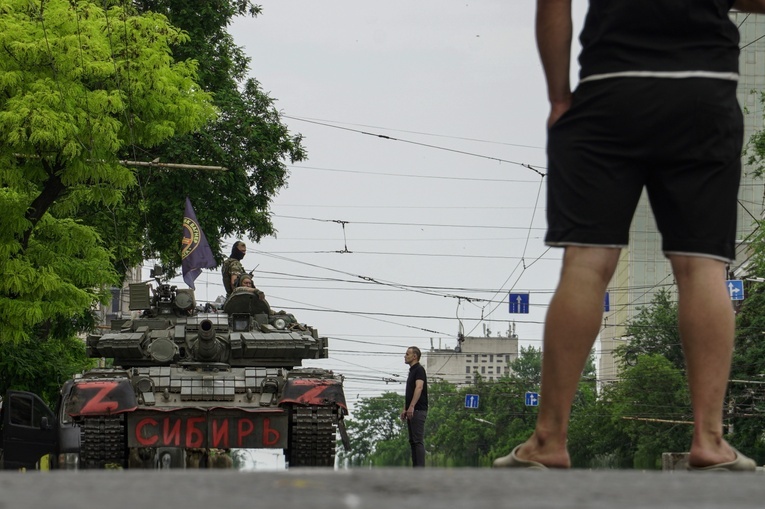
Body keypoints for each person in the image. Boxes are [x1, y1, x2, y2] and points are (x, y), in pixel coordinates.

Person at [493, 0, 765, 471]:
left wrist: (560, 97)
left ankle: (549, 441)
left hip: (609, 89)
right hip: (703, 91)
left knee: (586, 264)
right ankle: (710, 441)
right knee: (702, 265)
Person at [401, 346, 428, 467]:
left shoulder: (419, 370)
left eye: (407, 354)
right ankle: (415, 467)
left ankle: (420, 469)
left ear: (414, 356)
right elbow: (410, 392)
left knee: (417, 441)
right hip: (411, 410)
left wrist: (412, 406)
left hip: (418, 410)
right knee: (412, 441)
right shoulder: (412, 371)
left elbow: (419, 387)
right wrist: (405, 408)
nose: (405, 356)